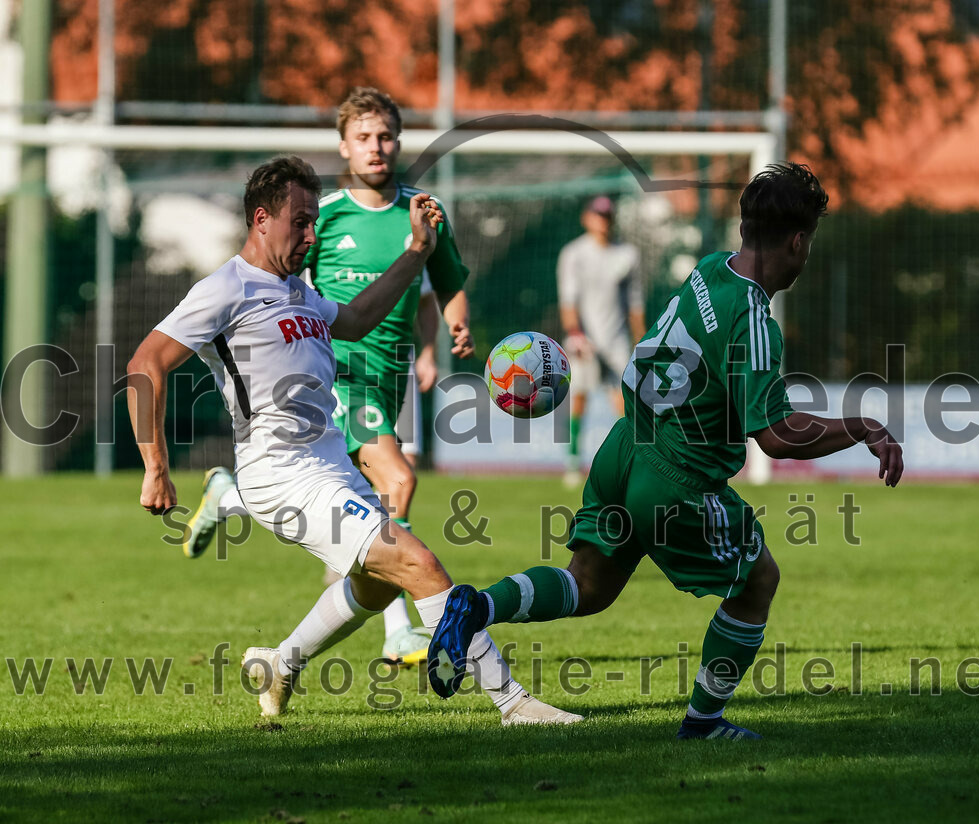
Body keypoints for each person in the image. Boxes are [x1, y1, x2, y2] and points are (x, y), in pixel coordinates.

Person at [426, 162, 904, 740]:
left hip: (624, 447)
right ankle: (704, 722)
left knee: (589, 585)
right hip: (675, 479)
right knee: (758, 581)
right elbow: (775, 435)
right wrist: (862, 426)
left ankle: (476, 607)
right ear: (799, 242)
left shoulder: (709, 271)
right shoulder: (752, 319)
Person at [127, 155, 580, 726]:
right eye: (300, 222)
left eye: (316, 221)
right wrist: (155, 466)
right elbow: (146, 363)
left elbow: (360, 317)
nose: (311, 235)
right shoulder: (226, 288)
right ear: (261, 219)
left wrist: (417, 252)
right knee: (421, 566)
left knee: (375, 587)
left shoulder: (296, 291)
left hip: (330, 466)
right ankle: (513, 704)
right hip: (281, 473)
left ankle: (281, 663)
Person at [182, 88, 474, 668]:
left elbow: (444, 282)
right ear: (344, 146)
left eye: (386, 136)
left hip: (387, 376)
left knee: (359, 502)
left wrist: (450, 332)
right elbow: (289, 290)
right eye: (364, 137)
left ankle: (232, 498)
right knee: (398, 481)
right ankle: (400, 630)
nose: (377, 147)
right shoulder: (326, 214)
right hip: (339, 375)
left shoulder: (422, 211)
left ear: (399, 141)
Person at [557, 195, 646, 486]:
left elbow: (635, 304)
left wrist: (641, 341)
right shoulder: (574, 254)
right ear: (587, 217)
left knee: (624, 402)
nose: (602, 221)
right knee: (579, 397)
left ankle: (633, 462)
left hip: (616, 339)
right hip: (584, 338)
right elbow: (568, 300)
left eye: (607, 216)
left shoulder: (627, 255)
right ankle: (573, 461)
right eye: (597, 215)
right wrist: (575, 334)